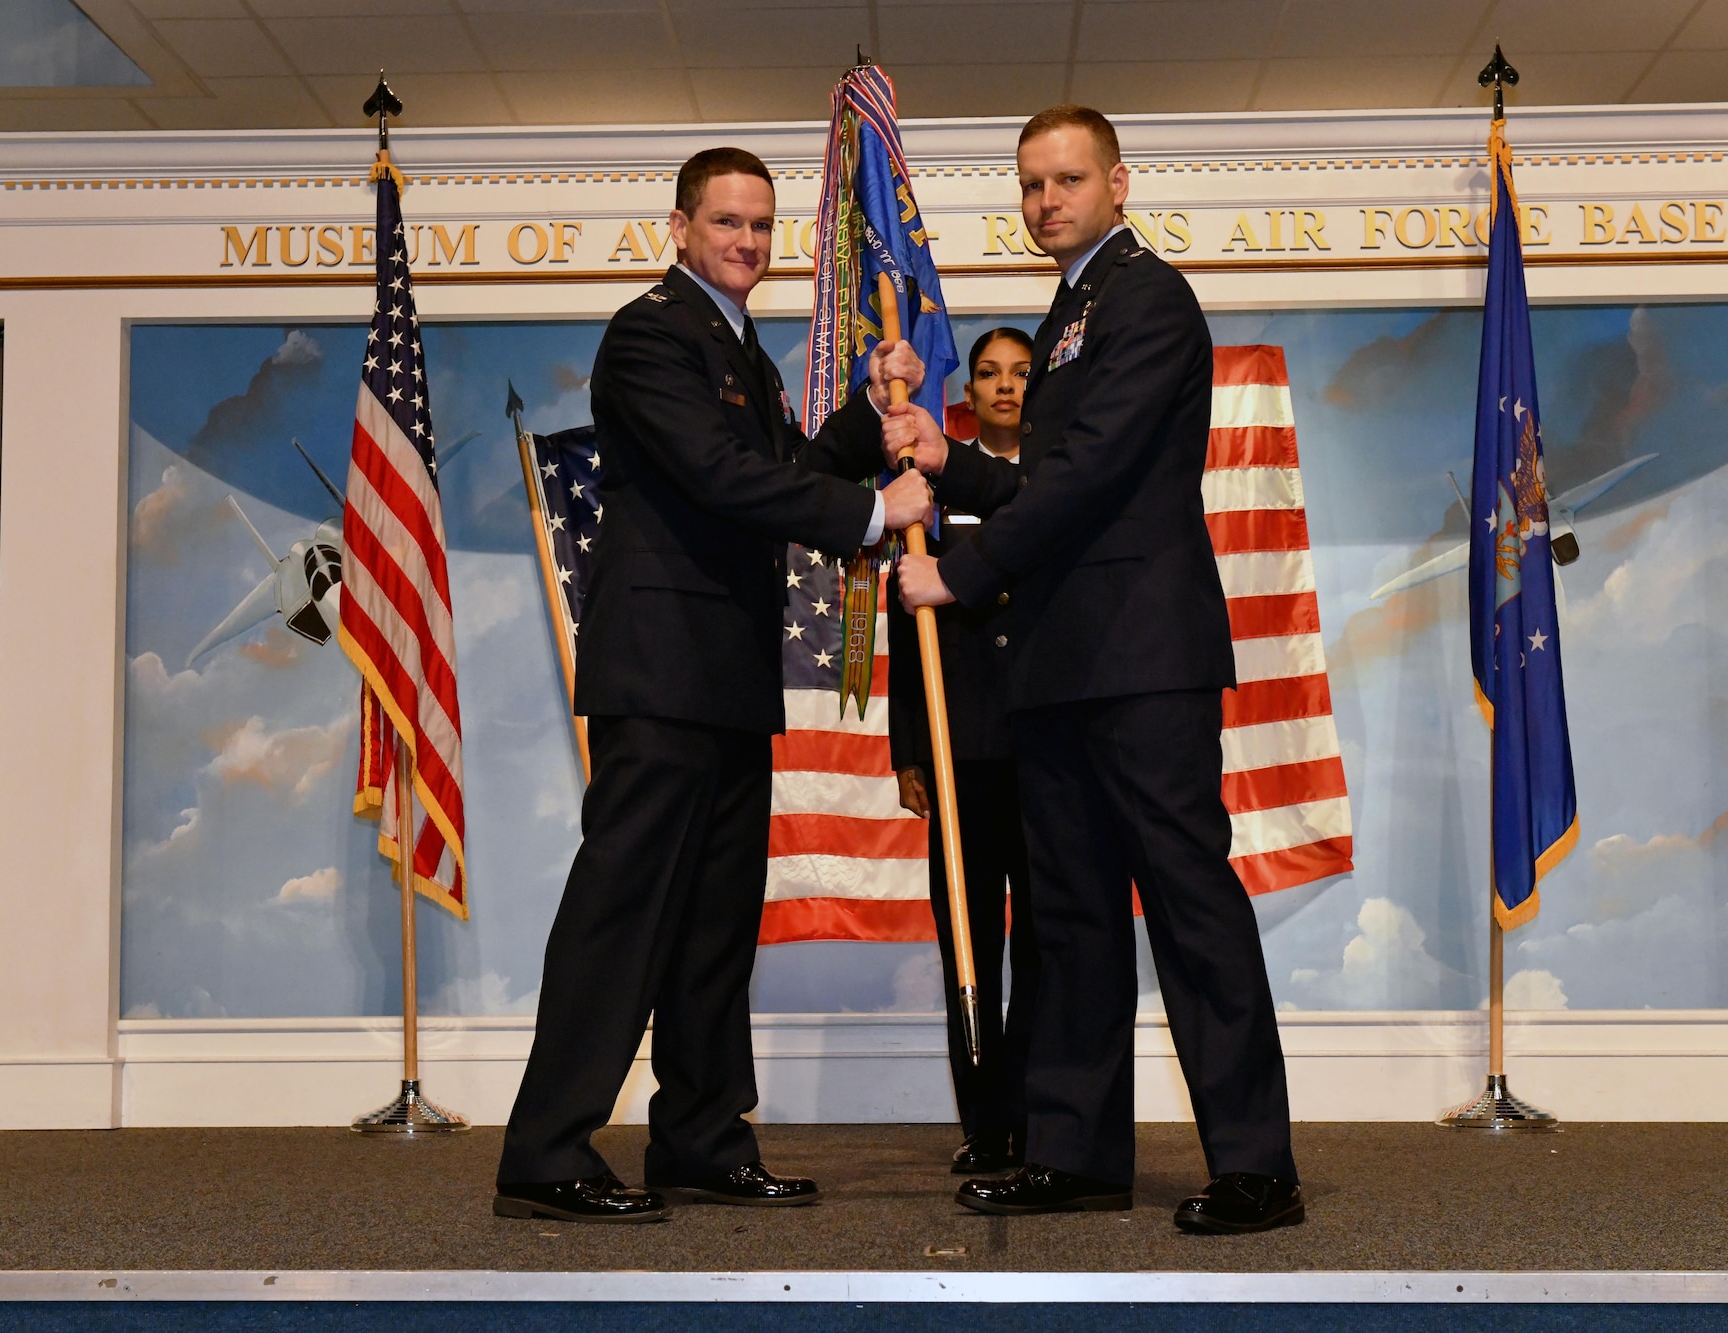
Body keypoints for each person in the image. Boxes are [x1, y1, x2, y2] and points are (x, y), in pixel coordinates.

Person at [495, 146, 935, 1225]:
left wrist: (865, 425)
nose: (744, 241)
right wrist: (873, 516)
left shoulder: (731, 341)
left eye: (759, 226)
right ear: (680, 227)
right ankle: (545, 1151)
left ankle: (698, 1136)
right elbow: (716, 473)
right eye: (726, 222)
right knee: (623, 912)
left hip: (728, 673)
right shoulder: (649, 332)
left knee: (711, 923)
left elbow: (780, 462)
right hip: (659, 668)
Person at [885, 106, 1303, 1234]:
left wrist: (957, 580)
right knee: (1065, 916)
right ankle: (1073, 1151)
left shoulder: (1147, 297)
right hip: (1059, 661)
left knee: (1185, 902)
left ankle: (1257, 1165)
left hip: (1142, 657)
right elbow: (1045, 479)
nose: (1044, 202)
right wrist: (949, 459)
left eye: (1065, 180)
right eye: (1028, 185)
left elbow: (1094, 476)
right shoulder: (1067, 312)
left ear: (1116, 182)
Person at [887, 326, 1039, 1176]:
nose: (1006, 387)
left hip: (1046, 745)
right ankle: (986, 1124)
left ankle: (1036, 1111)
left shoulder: (1059, 485)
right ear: (968, 392)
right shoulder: (929, 491)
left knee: (1050, 943)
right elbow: (910, 627)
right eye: (988, 374)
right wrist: (909, 744)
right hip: (960, 749)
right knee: (971, 943)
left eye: (1021, 373)